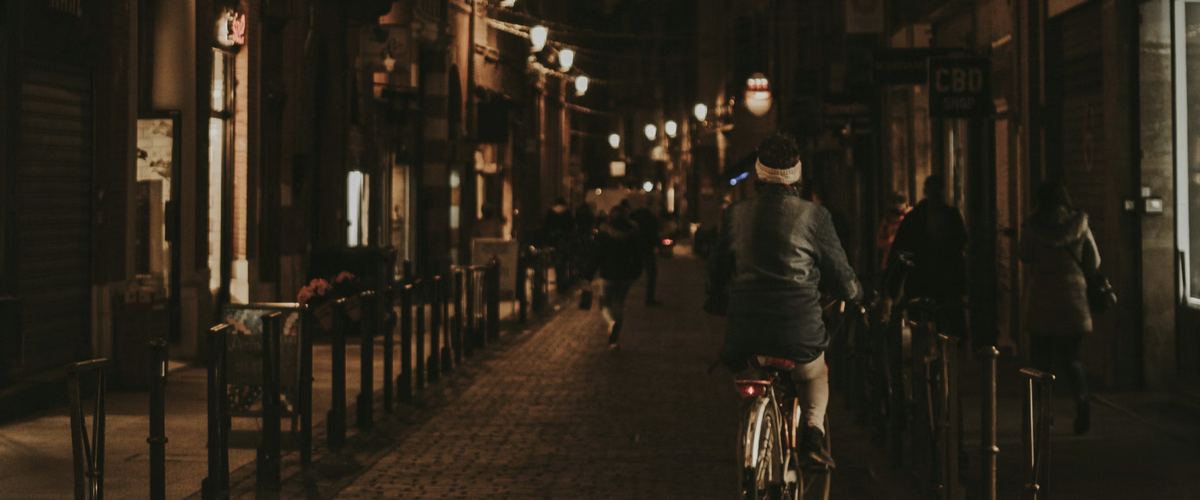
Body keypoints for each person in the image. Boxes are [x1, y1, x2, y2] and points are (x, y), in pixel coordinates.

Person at [707, 133, 861, 467]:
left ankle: (754, 435)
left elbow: (717, 272)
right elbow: (843, 279)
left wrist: (716, 300)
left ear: (758, 176)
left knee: (749, 373)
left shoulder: (735, 215)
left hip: (745, 334)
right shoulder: (815, 217)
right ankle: (812, 436)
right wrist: (854, 293)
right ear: (797, 176)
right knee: (815, 374)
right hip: (798, 331)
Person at [1020, 180, 1097, 434]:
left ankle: (1044, 414)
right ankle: (1083, 400)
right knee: (1072, 359)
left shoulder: (1034, 225)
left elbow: (1025, 254)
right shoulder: (1079, 223)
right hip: (1072, 299)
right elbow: (1093, 260)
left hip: (1043, 297)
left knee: (1042, 362)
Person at [887, 174, 967, 336]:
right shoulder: (917, 218)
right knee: (925, 325)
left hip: (941, 280)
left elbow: (960, 242)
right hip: (926, 280)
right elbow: (901, 249)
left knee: (943, 326)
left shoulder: (947, 216)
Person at [584, 204, 643, 349]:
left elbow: (597, 255)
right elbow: (638, 255)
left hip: (608, 274)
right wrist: (636, 272)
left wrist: (588, 275)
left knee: (604, 303)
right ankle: (614, 340)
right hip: (626, 275)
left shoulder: (604, 233)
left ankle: (610, 322)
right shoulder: (633, 233)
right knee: (619, 304)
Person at [629, 197, 663, 305]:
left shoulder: (635, 214)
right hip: (647, 248)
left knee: (633, 272)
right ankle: (649, 298)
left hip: (636, 247)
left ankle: (624, 294)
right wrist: (658, 244)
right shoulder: (652, 216)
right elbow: (655, 232)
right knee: (652, 273)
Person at [544, 198, 576, 294]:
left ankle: (559, 281)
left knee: (557, 262)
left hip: (554, 241)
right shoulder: (567, 212)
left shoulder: (550, 212)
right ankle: (563, 281)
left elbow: (546, 226)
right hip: (564, 240)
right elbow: (571, 226)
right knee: (565, 262)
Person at [875, 192, 908, 270]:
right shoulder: (887, 220)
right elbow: (879, 242)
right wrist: (891, 242)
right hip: (891, 261)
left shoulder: (909, 218)